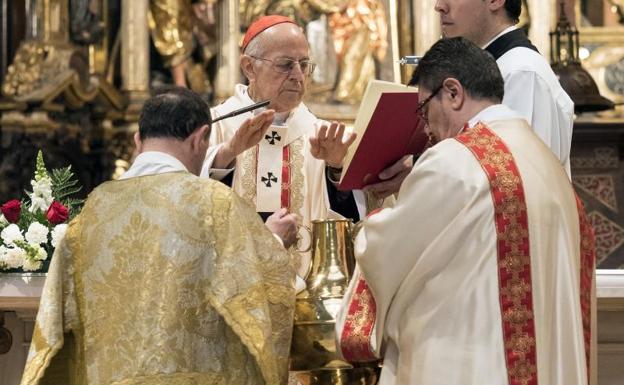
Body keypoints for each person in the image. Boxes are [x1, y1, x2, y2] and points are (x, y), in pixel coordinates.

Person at [335, 37, 595, 385]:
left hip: (469, 365)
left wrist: (374, 217)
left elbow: (387, 250)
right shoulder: (548, 166)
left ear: (453, 92)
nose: (425, 127)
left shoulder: (454, 160)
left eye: (423, 109)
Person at [21, 87, 298, 385]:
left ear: (138, 140)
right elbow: (256, 294)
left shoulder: (91, 213)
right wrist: (275, 241)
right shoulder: (216, 204)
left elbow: (54, 330)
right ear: (200, 138)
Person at [201, 15, 362, 277]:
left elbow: (352, 224)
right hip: (230, 294)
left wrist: (336, 170)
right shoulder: (215, 127)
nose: (298, 76)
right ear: (249, 67)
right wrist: (226, 155)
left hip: (306, 300)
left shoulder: (322, 135)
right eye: (286, 65)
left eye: (304, 64)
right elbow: (189, 212)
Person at [366, 0, 575, 199]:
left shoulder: (521, 72)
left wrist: (425, 170)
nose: (439, 6)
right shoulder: (493, 67)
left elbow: (512, 180)